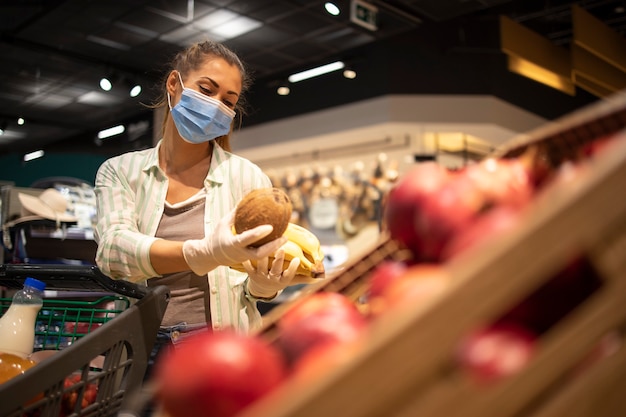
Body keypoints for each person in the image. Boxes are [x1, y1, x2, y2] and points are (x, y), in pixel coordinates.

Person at [93, 40, 303, 353]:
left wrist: (264, 285)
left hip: (223, 349)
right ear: (174, 83)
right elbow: (113, 253)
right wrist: (201, 253)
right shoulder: (121, 172)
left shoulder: (247, 178)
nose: (217, 105)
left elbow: (251, 285)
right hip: (139, 350)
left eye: (228, 101)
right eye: (206, 89)